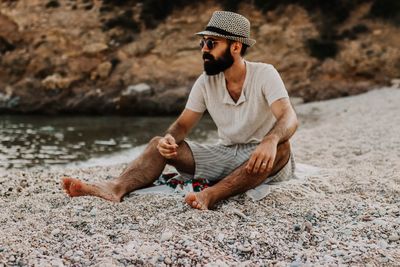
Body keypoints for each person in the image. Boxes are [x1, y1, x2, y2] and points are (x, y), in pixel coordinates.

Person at [62, 11, 298, 210]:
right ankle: (115, 188)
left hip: (264, 159)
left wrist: (271, 139)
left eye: (211, 43)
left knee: (282, 147)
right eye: (202, 43)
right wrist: (169, 140)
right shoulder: (206, 82)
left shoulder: (264, 73)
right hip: (225, 154)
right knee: (158, 144)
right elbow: (183, 125)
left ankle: (211, 195)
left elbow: (288, 116)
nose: (204, 49)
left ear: (236, 46)